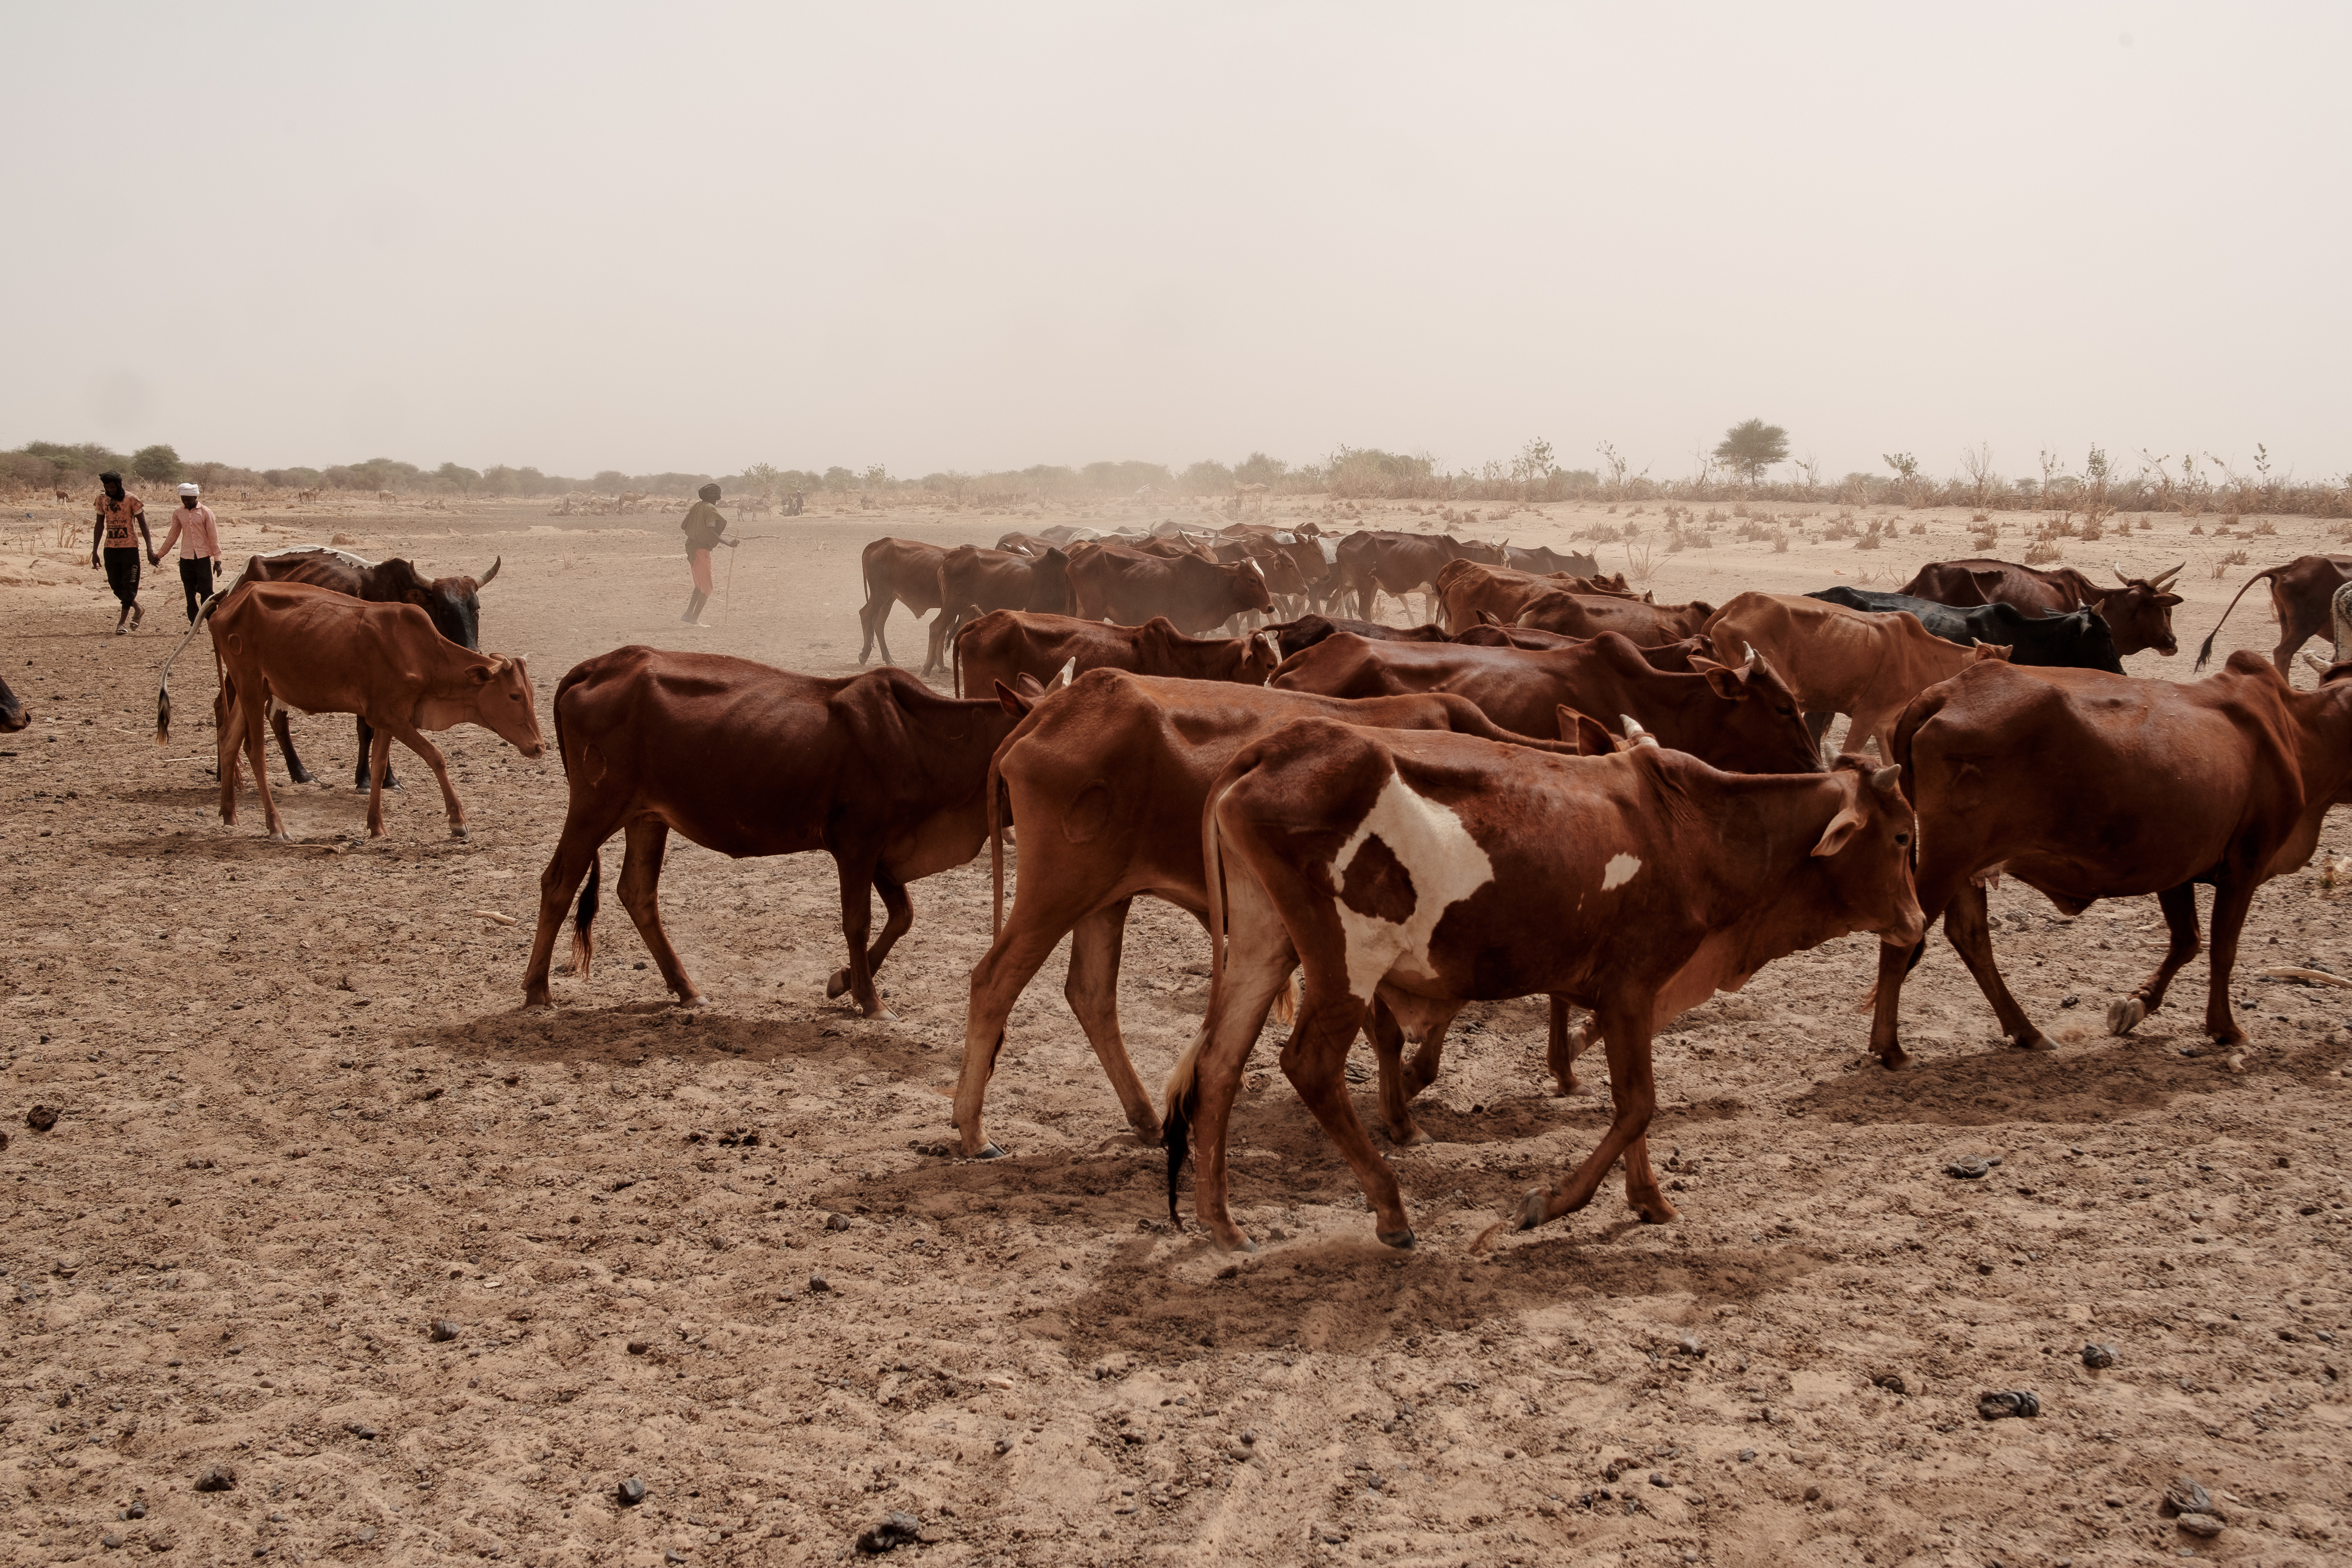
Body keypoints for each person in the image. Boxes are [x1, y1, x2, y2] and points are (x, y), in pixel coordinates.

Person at [89, 471, 155, 634]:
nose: (110, 490)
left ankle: (122, 623)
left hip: (130, 549)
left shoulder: (132, 499)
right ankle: (138, 607)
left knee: (130, 586)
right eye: (107, 487)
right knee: (115, 585)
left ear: (119, 485)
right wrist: (94, 550)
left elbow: (143, 525)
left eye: (112, 487)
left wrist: (149, 548)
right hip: (110, 548)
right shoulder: (102, 499)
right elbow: (99, 525)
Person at [152, 482, 223, 623]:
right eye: (183, 499)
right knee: (189, 594)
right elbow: (173, 535)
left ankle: (212, 622)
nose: (185, 502)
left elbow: (214, 538)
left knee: (207, 593)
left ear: (195, 497)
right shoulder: (179, 513)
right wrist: (159, 555)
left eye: (188, 499)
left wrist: (217, 561)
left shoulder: (206, 513)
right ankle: (194, 623)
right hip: (186, 558)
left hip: (203, 558)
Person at [678, 482, 738, 626]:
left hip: (691, 547)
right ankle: (694, 621)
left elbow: (683, 526)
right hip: (700, 550)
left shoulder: (697, 506)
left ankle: (688, 614)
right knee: (707, 588)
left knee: (700, 584)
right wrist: (728, 543)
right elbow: (711, 531)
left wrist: (698, 529)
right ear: (716, 497)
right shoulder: (710, 508)